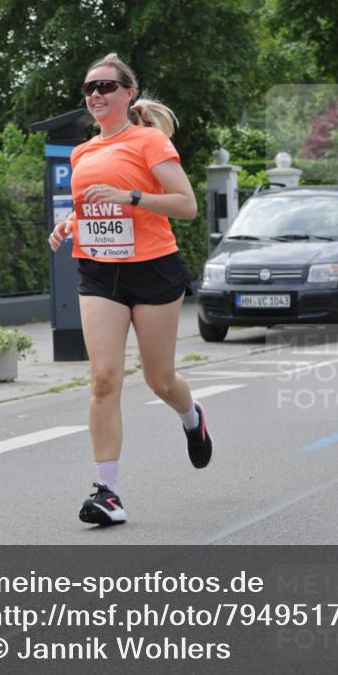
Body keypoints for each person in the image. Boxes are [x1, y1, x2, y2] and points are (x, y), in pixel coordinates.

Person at [48, 52, 212, 526]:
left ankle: (192, 416)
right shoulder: (82, 151)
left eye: (105, 86)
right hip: (99, 272)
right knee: (103, 379)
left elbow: (187, 205)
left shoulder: (149, 141)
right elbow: (91, 209)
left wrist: (132, 197)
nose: (95, 94)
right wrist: (70, 226)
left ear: (128, 94)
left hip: (154, 269)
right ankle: (108, 492)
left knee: (159, 379)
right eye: (89, 88)